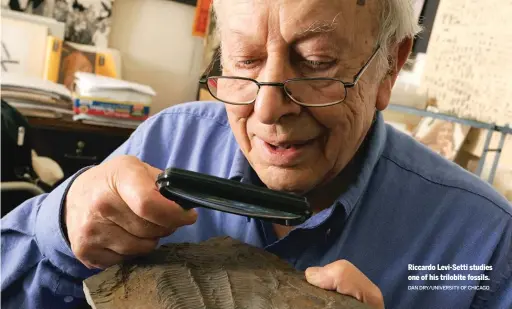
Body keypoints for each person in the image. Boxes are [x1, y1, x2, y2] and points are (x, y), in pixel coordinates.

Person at [2, 0, 512, 308]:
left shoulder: (483, 244)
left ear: (390, 69)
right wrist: (63, 227)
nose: (266, 108)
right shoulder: (167, 142)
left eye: (315, 63)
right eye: (243, 60)